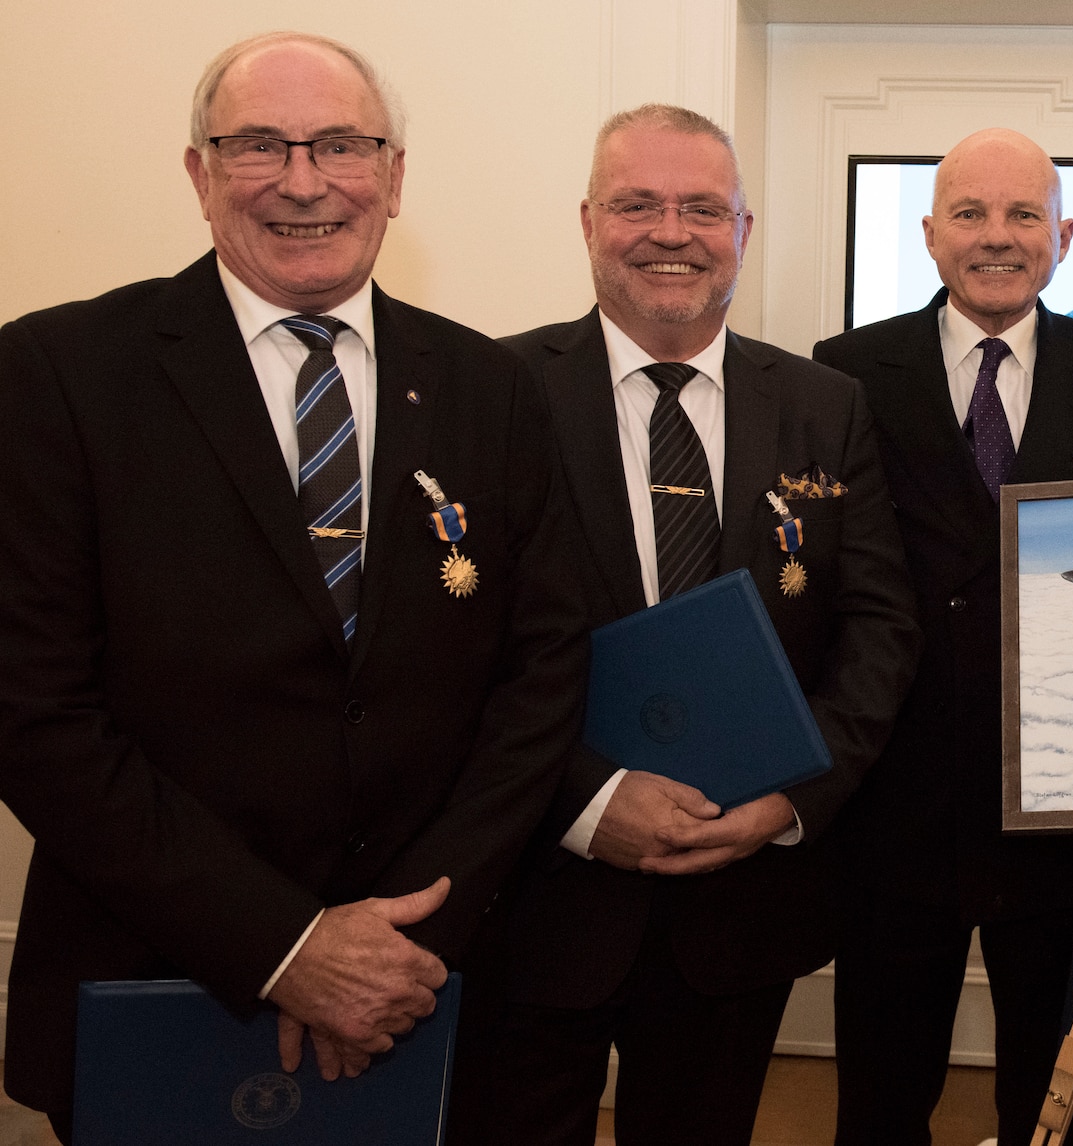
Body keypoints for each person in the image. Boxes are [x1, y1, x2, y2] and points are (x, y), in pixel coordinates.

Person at [0, 31, 589, 1141]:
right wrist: (285, 945)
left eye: (341, 145)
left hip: (428, 984)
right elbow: (33, 713)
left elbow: (540, 678)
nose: (304, 180)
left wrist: (401, 942)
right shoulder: (57, 374)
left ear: (396, 175)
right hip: (160, 976)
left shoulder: (491, 387)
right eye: (258, 145)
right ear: (199, 174)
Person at [445, 104, 920, 1146]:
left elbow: (879, 630)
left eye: (703, 208)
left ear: (743, 231)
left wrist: (790, 799)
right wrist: (585, 801)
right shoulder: (489, 391)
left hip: (740, 902)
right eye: (637, 205)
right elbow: (447, 648)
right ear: (586, 222)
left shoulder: (822, 405)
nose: (671, 232)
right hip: (536, 888)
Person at [812, 127, 1073, 1145]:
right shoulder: (845, 371)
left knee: (1048, 1092)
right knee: (882, 1086)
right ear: (929, 234)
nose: (995, 238)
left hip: (1057, 796)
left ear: (1061, 234)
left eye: (1021, 215)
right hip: (895, 797)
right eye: (969, 214)